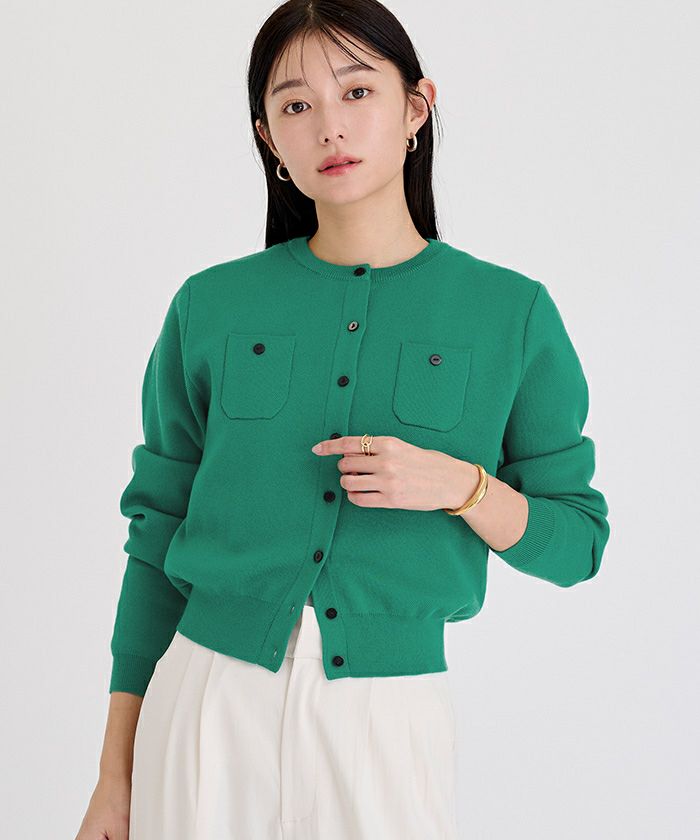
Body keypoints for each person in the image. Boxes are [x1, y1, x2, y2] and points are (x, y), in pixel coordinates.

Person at [75, 1, 611, 838]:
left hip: (385, 724)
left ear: (416, 108)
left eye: (357, 91)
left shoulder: (511, 314)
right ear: (269, 138)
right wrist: (116, 775)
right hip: (206, 704)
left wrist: (463, 488)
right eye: (296, 105)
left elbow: (577, 544)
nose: (329, 126)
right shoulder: (210, 305)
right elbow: (155, 542)